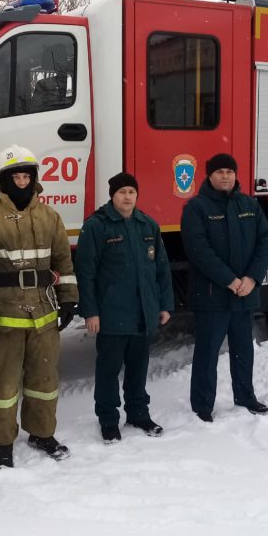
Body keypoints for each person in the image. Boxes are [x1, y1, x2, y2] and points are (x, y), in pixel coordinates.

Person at [0, 144, 79, 469]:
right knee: (3, 385)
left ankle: (42, 433)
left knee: (44, 381)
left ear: (34, 177)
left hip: (44, 313)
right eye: (16, 175)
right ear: (3, 179)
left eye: (27, 174)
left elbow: (63, 262)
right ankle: (1, 444)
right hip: (4, 315)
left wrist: (68, 299)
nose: (22, 180)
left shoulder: (49, 217)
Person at [75, 172, 174, 442]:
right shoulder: (97, 226)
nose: (127, 197)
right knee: (108, 369)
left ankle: (139, 413)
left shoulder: (148, 225)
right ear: (112, 196)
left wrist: (164, 305)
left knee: (138, 367)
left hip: (144, 313)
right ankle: (108, 420)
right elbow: (86, 272)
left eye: (131, 192)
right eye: (122, 192)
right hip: (111, 314)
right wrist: (90, 312)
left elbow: (161, 270)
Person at [181, 153, 268, 422]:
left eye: (230, 171)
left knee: (243, 348)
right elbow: (199, 251)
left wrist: (253, 278)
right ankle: (203, 405)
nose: (225, 176)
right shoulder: (196, 208)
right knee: (208, 352)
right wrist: (230, 280)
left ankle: (245, 396)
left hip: (244, 293)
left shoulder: (249, 204)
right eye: (220, 171)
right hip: (213, 295)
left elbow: (264, 240)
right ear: (209, 175)